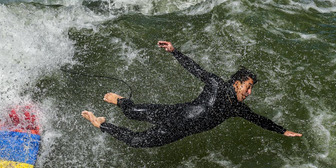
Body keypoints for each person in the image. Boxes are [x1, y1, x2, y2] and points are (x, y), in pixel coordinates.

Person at [82, 41, 302, 148]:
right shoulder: (216, 84)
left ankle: (101, 124)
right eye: (248, 87)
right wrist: (175, 52)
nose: (250, 92)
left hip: (174, 132)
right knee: (130, 111)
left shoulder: (238, 108)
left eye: (251, 88)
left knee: (137, 141)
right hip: (171, 113)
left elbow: (259, 120)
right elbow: (195, 69)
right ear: (237, 83)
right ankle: (121, 100)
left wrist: (282, 131)